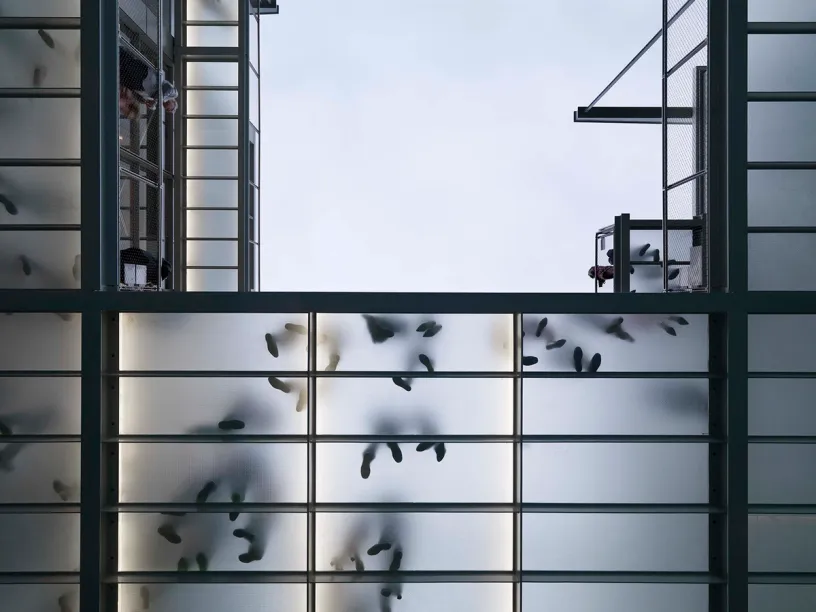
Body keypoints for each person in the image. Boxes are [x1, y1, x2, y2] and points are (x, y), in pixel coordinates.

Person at [119, 46, 179, 117]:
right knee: (127, 63)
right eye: (171, 108)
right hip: (146, 75)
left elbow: (149, 98)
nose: (168, 109)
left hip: (140, 85)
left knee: (121, 74)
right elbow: (167, 89)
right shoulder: (173, 94)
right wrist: (157, 101)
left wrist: (150, 103)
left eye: (168, 110)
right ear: (174, 103)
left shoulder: (159, 100)